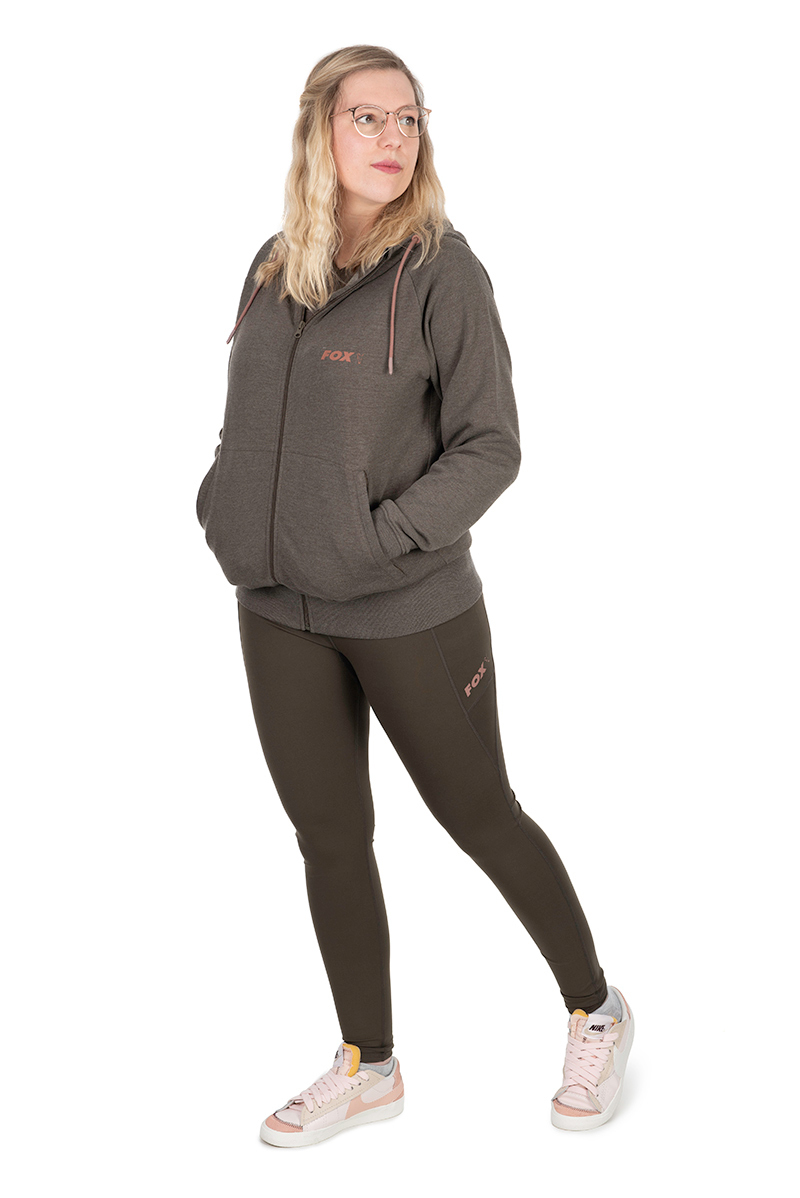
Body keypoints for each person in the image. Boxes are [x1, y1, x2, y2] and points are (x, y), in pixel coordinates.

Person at [195, 44, 634, 1147]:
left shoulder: (443, 273)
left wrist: (381, 539)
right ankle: (368, 1064)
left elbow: (492, 445)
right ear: (320, 130)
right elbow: (248, 418)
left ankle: (595, 1007)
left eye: (408, 118)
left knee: (479, 814)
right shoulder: (272, 264)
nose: (393, 138)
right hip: (275, 605)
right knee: (329, 836)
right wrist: (225, 504)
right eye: (368, 118)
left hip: (407, 608)